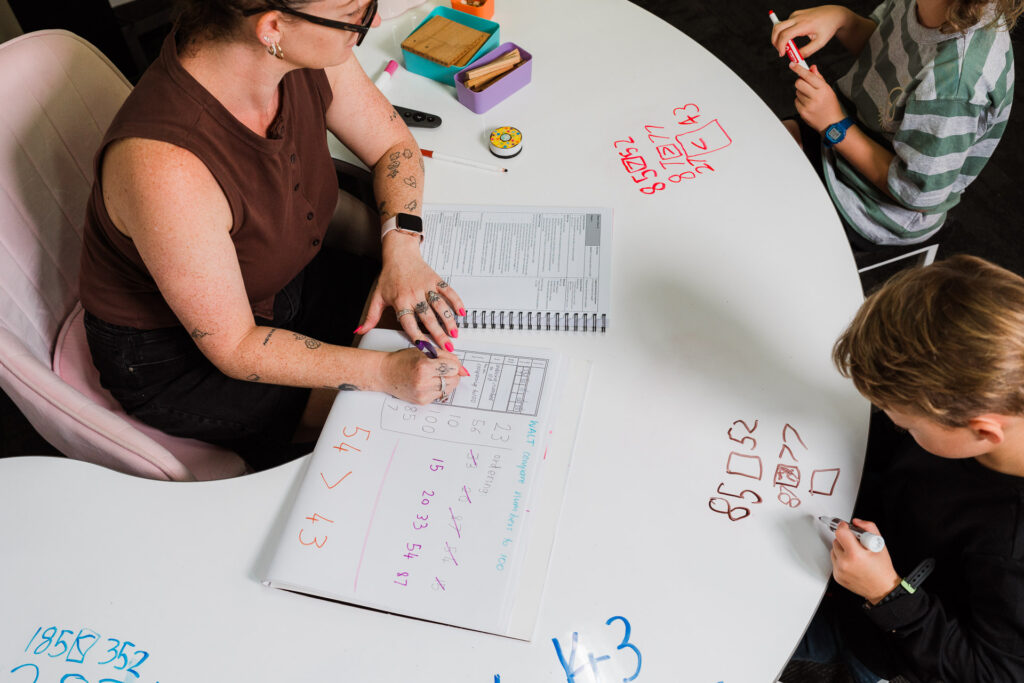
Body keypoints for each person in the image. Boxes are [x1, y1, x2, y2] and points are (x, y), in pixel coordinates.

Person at [79, 0, 468, 470]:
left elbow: (393, 145)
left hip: (285, 279)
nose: (375, 23)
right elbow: (237, 346)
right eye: (355, 14)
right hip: (179, 355)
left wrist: (403, 251)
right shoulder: (165, 167)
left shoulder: (306, 53)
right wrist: (383, 373)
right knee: (385, 419)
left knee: (437, 322)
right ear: (272, 28)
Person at [786, 254, 1024, 682]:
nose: (894, 424)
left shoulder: (1009, 549)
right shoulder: (981, 399)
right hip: (863, 528)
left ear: (983, 431)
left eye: (905, 424)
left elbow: (989, 672)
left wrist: (886, 594)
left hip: (886, 632)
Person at [770, 1, 1023, 248]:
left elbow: (915, 193)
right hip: (849, 134)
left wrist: (834, 125)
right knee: (754, 146)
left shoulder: (956, 84)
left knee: (765, 219)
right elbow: (889, 52)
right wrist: (844, 20)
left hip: (875, 208)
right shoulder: (928, 6)